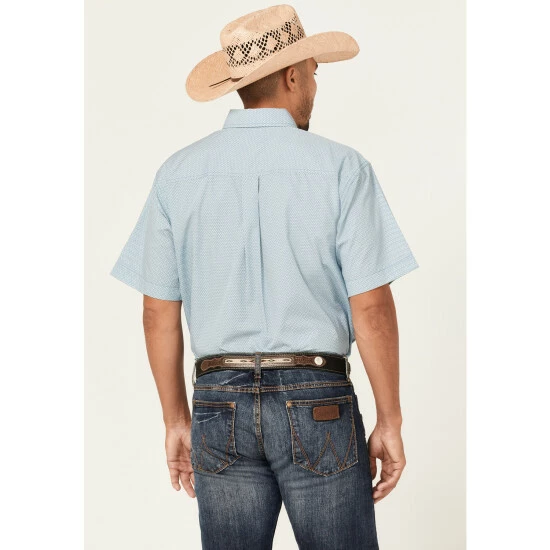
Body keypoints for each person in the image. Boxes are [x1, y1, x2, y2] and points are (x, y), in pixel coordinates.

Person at [110, 4, 419, 549]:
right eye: (314, 74)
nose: (315, 87)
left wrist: (176, 418)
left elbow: (157, 311)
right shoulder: (342, 167)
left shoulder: (178, 174)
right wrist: (390, 419)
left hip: (217, 400)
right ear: (292, 75)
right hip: (318, 397)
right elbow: (371, 306)